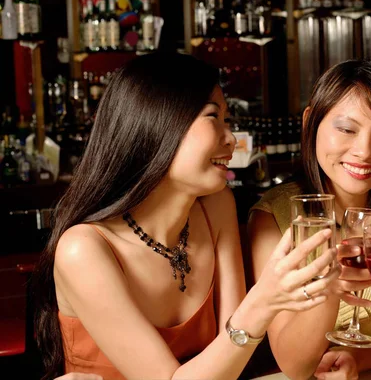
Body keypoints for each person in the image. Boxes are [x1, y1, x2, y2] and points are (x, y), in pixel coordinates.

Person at [32, 52, 340, 380]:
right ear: (158, 123)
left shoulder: (216, 205)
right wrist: (262, 303)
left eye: (228, 121)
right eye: (214, 117)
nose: (232, 139)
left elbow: (231, 360)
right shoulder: (84, 250)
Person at [248, 59, 371, 379]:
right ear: (310, 122)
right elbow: (293, 365)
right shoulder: (275, 218)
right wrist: (333, 287)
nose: (364, 151)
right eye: (347, 129)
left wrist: (354, 358)